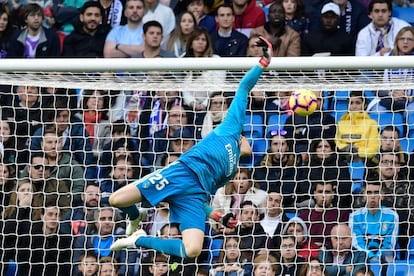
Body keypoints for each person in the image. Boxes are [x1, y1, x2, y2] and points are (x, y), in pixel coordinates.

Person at [109, 36, 273, 260]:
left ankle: (138, 239)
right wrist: (263, 62)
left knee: (192, 250)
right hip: (180, 173)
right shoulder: (230, 128)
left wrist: (217, 216)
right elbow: (243, 88)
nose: (248, 140)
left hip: (194, 197)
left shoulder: (231, 172)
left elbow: (204, 196)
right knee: (116, 200)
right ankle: (135, 216)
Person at [349, 180, 398, 276]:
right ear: (363, 195)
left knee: (388, 254)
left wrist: (377, 257)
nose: (373, 196)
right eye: (369, 192)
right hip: (362, 258)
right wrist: (371, 256)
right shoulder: (354, 216)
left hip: (384, 259)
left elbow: (389, 243)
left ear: (382, 195)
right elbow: (357, 243)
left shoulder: (392, 215)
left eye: (376, 192)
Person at [298, 181, 350, 248]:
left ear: (333, 194)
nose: (323, 196)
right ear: (314, 194)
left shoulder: (342, 215)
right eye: (320, 192)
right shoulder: (303, 216)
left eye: (327, 192)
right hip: (308, 252)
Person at [335, 91, 380, 162]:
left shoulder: (372, 123)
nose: (354, 106)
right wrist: (347, 149)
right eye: (351, 103)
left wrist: (355, 151)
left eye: (358, 103)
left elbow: (373, 149)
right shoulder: (340, 124)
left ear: (364, 105)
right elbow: (336, 144)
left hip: (364, 161)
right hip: (341, 161)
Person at [30, 204, 73, 276]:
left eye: (57, 215)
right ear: (42, 217)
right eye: (50, 214)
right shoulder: (31, 238)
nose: (54, 218)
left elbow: (65, 269)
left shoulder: (66, 240)